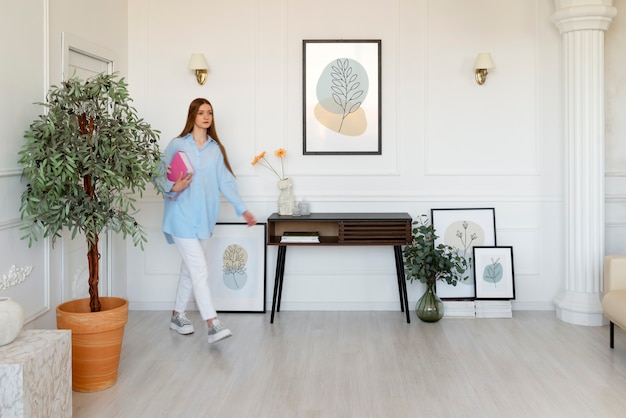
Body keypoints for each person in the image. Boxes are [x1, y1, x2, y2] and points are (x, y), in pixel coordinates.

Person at [158, 98, 256, 344]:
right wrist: (174, 185)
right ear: (192, 116)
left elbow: (226, 182)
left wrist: (242, 209)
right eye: (201, 112)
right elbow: (157, 173)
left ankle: (176, 315)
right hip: (180, 217)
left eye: (209, 113)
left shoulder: (215, 150)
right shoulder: (177, 145)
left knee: (191, 271)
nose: (206, 116)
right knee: (199, 269)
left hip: (204, 220)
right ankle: (212, 323)